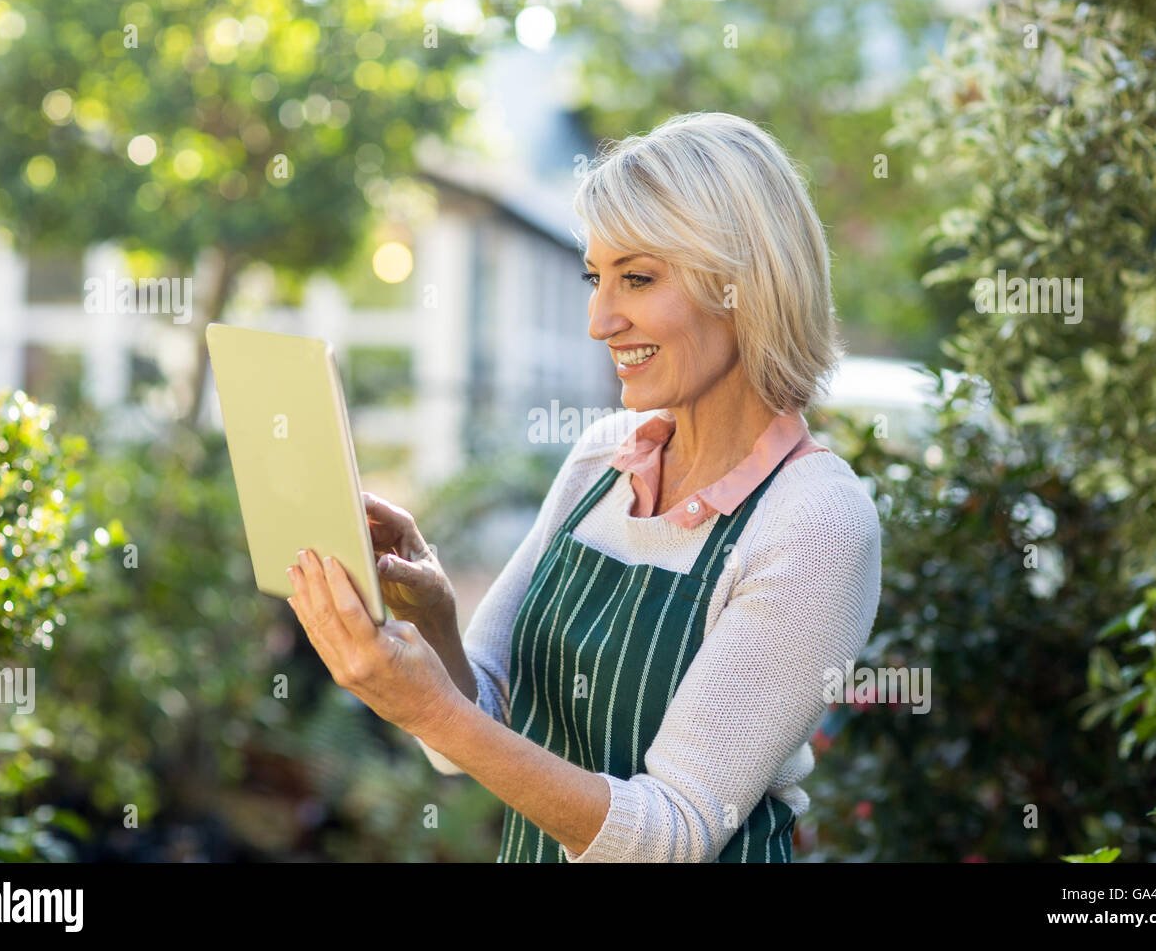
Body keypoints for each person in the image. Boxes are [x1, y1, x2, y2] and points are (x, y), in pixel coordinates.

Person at [285, 111, 883, 862]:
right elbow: (473, 735)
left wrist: (428, 708)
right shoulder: (602, 462)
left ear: (744, 285)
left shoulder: (815, 522)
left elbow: (671, 835)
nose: (599, 320)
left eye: (636, 278)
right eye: (594, 278)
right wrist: (434, 620)